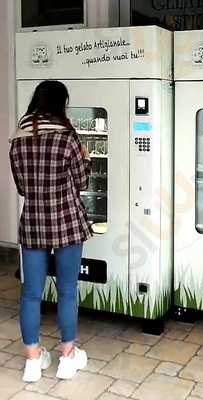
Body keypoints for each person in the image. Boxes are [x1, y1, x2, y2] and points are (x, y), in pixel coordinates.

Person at [9, 80, 93, 382]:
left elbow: (21, 188)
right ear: (60, 105)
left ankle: (33, 360)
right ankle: (67, 357)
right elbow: (81, 182)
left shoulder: (18, 140)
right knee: (67, 290)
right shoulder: (67, 138)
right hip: (67, 222)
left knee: (31, 294)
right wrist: (85, 158)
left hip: (33, 223)